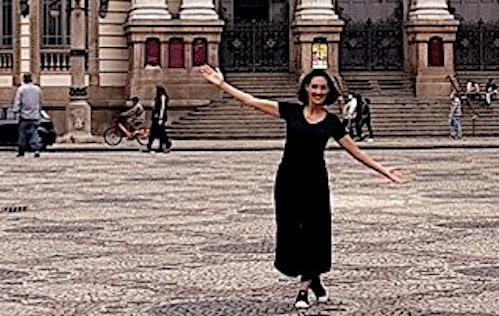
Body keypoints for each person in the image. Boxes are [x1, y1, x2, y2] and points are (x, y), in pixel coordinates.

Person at [199, 64, 402, 310]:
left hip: (315, 182)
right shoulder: (291, 112)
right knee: (291, 231)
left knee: (314, 232)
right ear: (306, 88)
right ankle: (314, 278)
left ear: (329, 92)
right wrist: (221, 84)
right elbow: (251, 101)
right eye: (314, 86)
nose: (318, 91)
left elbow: (356, 152)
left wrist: (383, 170)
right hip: (287, 180)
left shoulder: (332, 122)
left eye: (323, 88)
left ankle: (303, 290)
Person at [13, 72, 43, 158]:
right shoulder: (37, 89)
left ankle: (21, 151)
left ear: (24, 79)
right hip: (35, 115)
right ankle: (36, 149)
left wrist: (16, 111)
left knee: (22, 134)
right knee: (35, 133)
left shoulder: (21, 89)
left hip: (24, 115)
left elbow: (17, 101)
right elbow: (40, 102)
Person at [147, 85, 171, 153]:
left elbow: (162, 108)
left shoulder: (163, 97)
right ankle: (161, 145)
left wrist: (160, 118)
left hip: (159, 118)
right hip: (156, 117)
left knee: (160, 132)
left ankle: (165, 144)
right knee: (158, 132)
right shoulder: (158, 98)